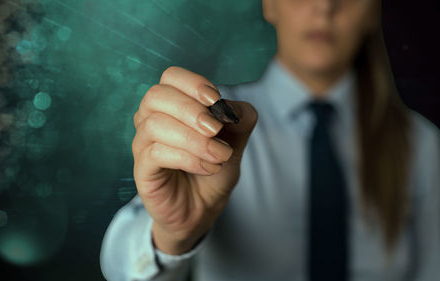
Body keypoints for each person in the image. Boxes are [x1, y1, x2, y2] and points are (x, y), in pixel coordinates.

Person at [100, 0, 440, 280]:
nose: (324, 6)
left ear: (372, 11)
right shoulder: (207, 126)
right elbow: (121, 266)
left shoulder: (422, 148)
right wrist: (171, 234)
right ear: (269, 4)